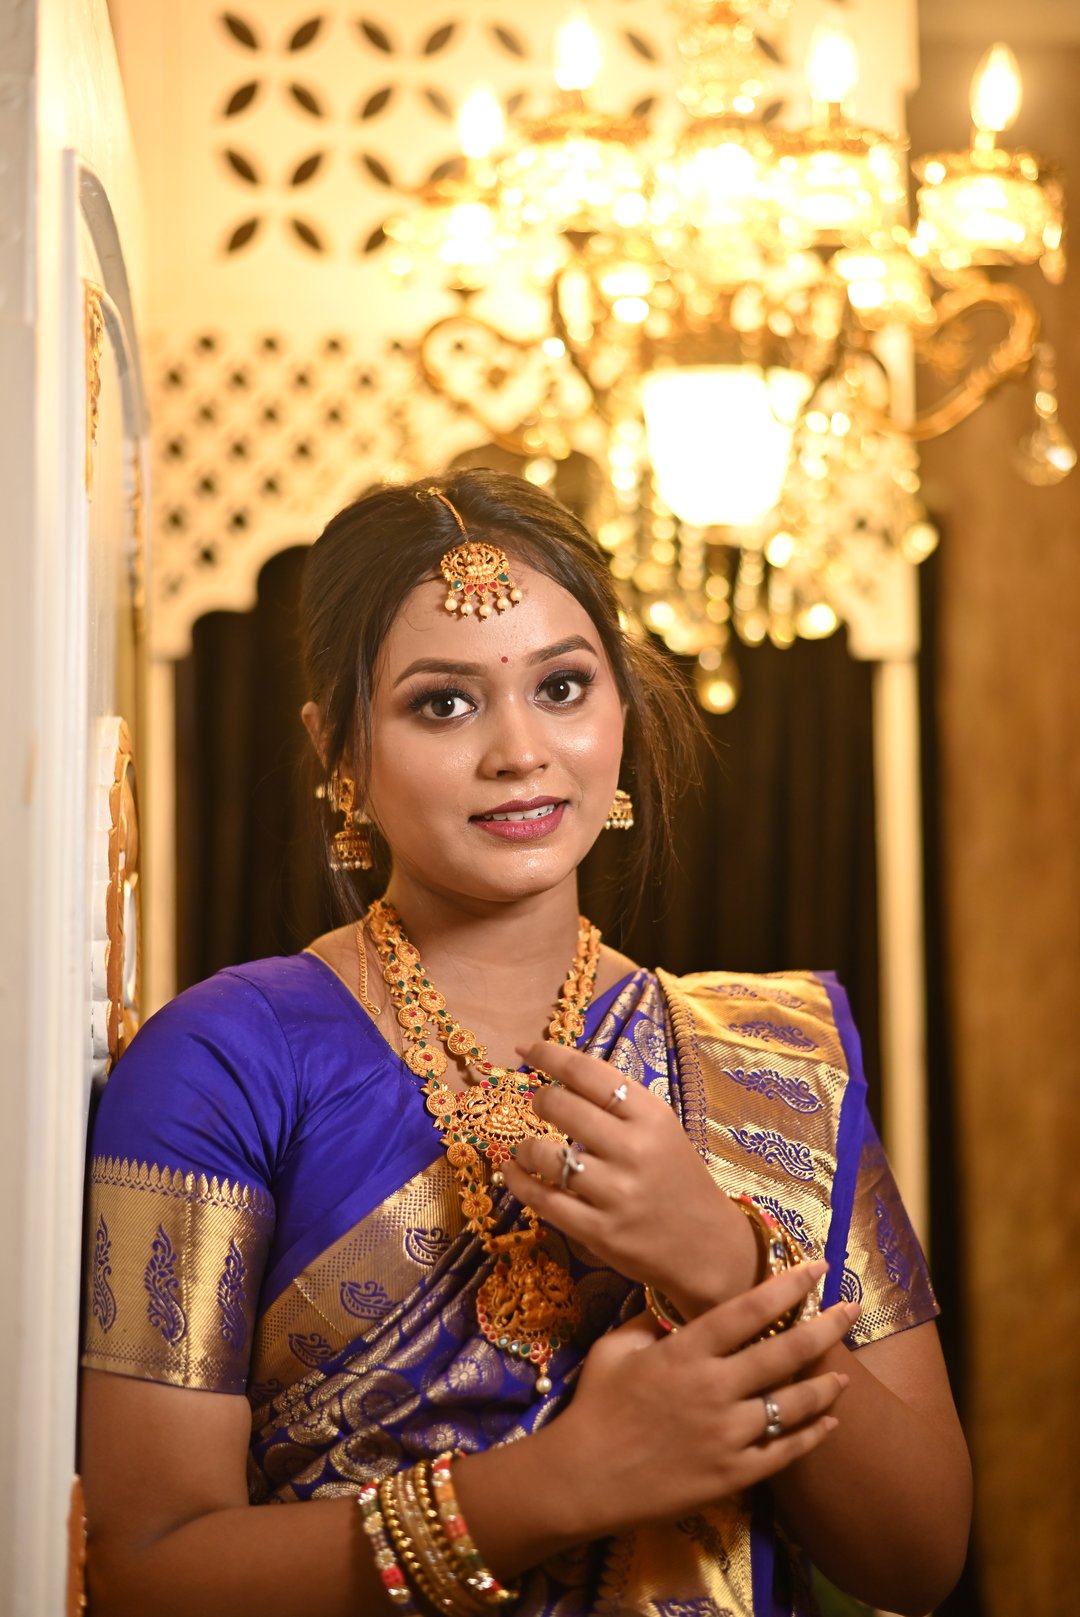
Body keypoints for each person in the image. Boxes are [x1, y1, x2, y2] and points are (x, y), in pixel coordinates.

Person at [80, 469, 971, 1616]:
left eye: (561, 686)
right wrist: (564, 1483)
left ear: (621, 709)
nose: (520, 751)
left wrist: (724, 1263)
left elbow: (919, 1558)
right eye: (443, 704)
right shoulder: (223, 1065)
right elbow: (146, 1570)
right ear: (336, 748)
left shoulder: (771, 1059)